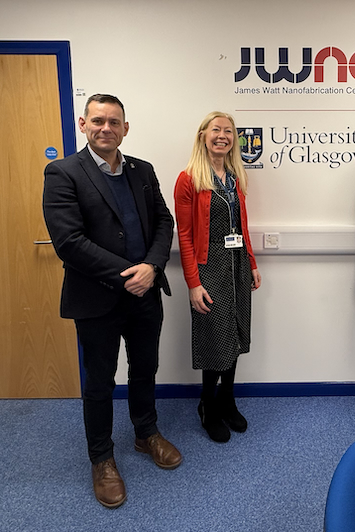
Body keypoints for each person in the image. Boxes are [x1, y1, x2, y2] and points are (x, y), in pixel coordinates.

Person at [43, 94, 181, 509]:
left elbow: (163, 221)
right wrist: (130, 275)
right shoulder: (63, 172)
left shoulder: (142, 170)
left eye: (114, 122)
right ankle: (102, 459)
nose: (106, 128)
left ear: (125, 128)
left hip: (146, 294)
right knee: (100, 382)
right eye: (98, 120)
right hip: (97, 298)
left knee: (145, 370)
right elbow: (69, 241)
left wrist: (153, 267)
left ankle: (145, 434)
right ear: (83, 125)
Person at [174, 111, 261, 444]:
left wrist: (251, 262)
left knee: (236, 332)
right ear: (203, 136)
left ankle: (228, 399)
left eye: (228, 131)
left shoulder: (236, 176)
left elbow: (243, 227)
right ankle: (208, 407)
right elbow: (183, 234)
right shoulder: (189, 179)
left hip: (237, 264)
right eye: (216, 130)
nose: (223, 135)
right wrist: (193, 283)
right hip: (208, 266)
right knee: (215, 337)